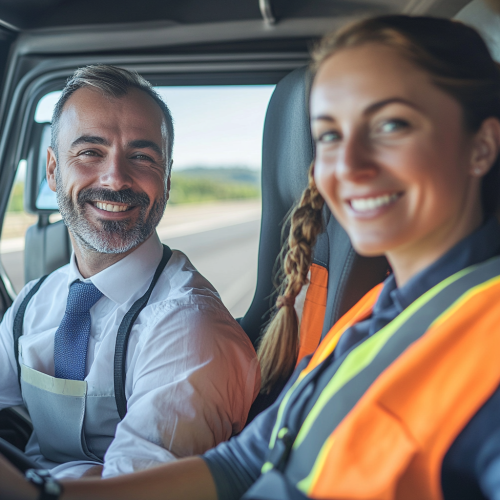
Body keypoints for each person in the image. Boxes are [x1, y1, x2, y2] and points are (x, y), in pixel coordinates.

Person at [3, 13, 500, 500]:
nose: (348, 165)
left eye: (392, 125)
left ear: (481, 146)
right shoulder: (376, 315)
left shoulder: (485, 332)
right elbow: (243, 463)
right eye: (329, 135)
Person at [0, 65, 259, 480]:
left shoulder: (190, 328)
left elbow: (130, 490)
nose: (116, 178)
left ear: (167, 178)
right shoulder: (34, 301)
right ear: (52, 170)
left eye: (141, 156)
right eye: (90, 152)